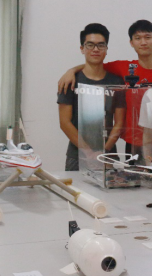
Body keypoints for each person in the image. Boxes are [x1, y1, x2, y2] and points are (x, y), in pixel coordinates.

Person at [58, 20, 152, 161]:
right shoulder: (124, 68)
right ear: (131, 42)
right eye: (138, 38)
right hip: (133, 143)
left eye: (147, 37)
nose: (143, 42)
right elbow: (94, 64)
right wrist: (71, 70)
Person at [57, 23, 125, 171]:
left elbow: (119, 122)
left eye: (101, 45)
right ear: (82, 48)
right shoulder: (70, 81)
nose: (95, 49)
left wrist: (103, 151)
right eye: (90, 45)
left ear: (106, 49)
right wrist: (88, 152)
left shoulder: (116, 82)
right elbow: (64, 123)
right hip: (77, 156)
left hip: (108, 155)